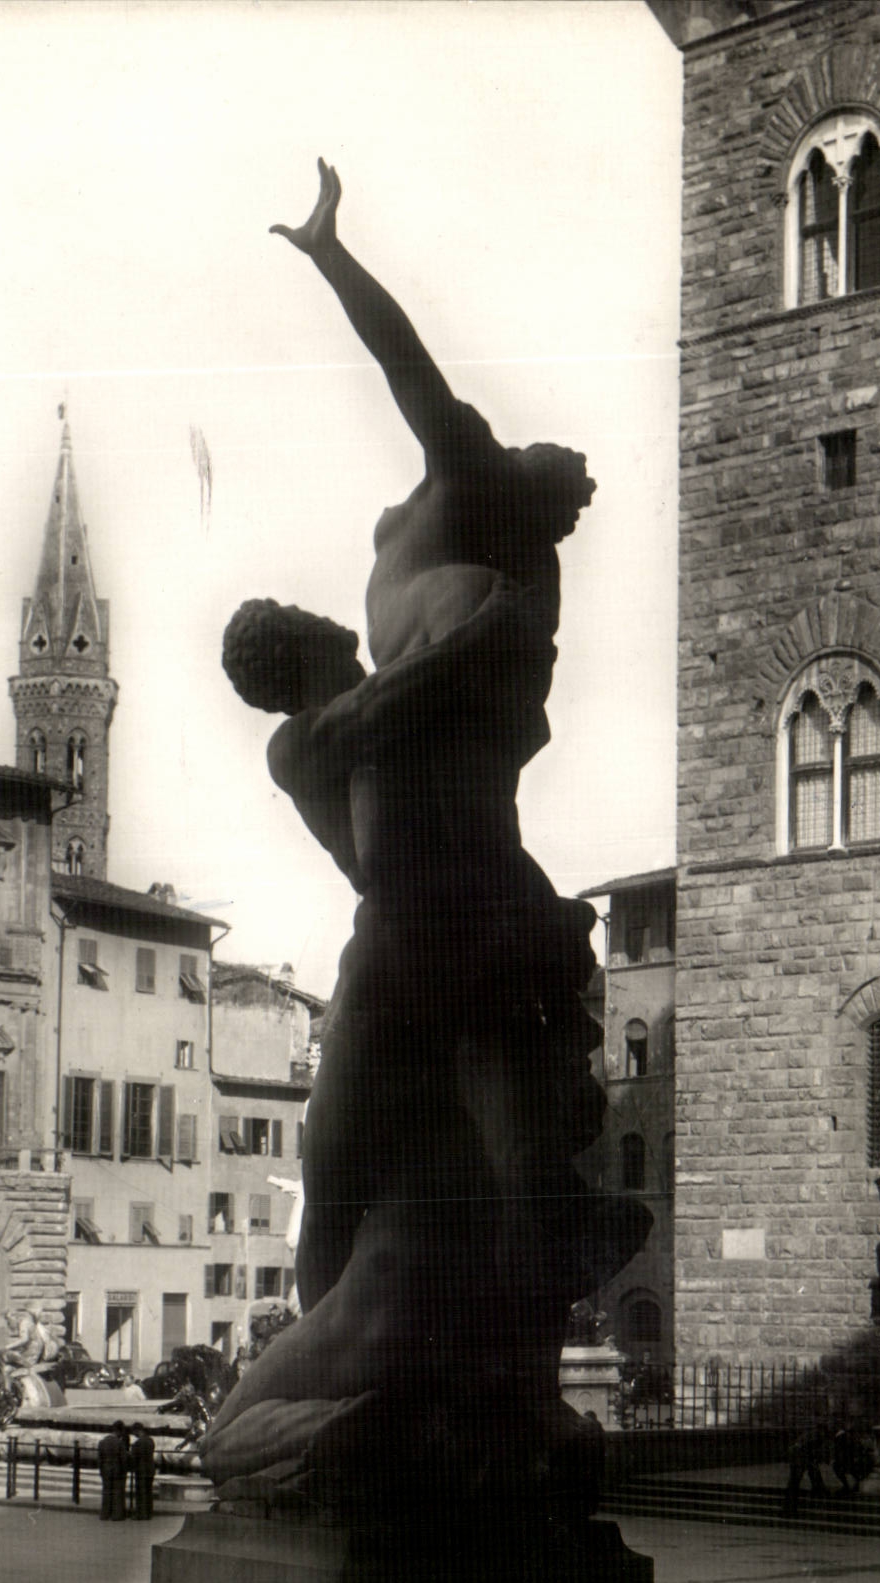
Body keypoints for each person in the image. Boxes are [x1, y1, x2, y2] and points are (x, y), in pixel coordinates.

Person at [205, 166, 649, 1513]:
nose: (563, 467)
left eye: (559, 481)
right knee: (356, 1177)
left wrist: (339, 262)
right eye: (560, 470)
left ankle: (448, 1373)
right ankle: (441, 1362)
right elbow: (359, 807)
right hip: (432, 908)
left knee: (367, 1173)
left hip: (444, 910)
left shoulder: (467, 501)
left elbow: (409, 368)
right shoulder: (439, 555)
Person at [97, 1421, 130, 1522]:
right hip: (117, 1469)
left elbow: (99, 1458)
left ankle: (105, 1514)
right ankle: (117, 1515)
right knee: (117, 1493)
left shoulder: (102, 1442)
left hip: (106, 1469)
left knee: (106, 1492)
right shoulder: (120, 1443)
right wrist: (125, 1470)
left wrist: (101, 1470)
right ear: (119, 1431)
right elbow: (123, 1459)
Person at [128, 1423, 155, 1520]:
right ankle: (148, 1513)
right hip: (150, 1469)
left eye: (133, 1432)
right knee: (148, 1492)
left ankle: (141, 1514)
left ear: (137, 1430)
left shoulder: (138, 1443)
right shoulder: (150, 1441)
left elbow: (133, 1457)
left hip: (141, 1470)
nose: (133, 1434)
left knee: (140, 1493)